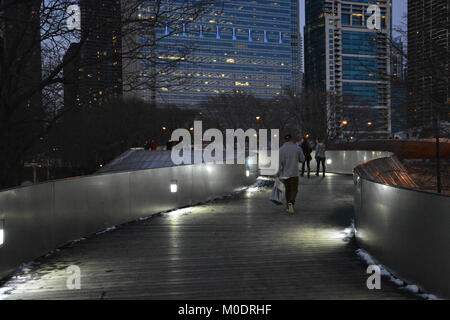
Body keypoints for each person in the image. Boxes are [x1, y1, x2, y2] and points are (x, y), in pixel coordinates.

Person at [277, 134, 305, 214]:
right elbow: (302, 159)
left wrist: (278, 173)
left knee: (287, 190)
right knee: (294, 190)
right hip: (294, 173)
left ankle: (288, 206)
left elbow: (278, 163)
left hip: (285, 173)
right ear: (291, 139)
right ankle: (291, 202)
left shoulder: (281, 149)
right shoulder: (297, 148)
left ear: (284, 140)